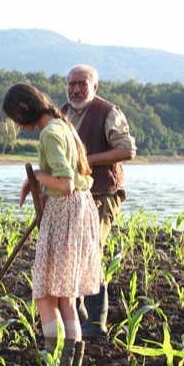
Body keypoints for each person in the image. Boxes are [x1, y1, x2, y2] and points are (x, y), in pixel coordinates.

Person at [0, 82, 102, 366]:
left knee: (46, 294)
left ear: (24, 111)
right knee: (64, 298)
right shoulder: (62, 125)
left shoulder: (51, 132)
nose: (18, 126)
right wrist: (35, 184)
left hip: (66, 212)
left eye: (16, 119)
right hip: (75, 212)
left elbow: (66, 182)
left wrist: (35, 177)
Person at [62, 64, 137, 338]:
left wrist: (87, 161)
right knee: (72, 251)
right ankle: (79, 314)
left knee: (91, 249)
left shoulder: (108, 112)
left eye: (83, 83)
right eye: (72, 83)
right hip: (73, 193)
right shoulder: (62, 114)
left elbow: (127, 150)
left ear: (95, 87)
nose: (76, 89)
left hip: (104, 191)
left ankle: (97, 321)